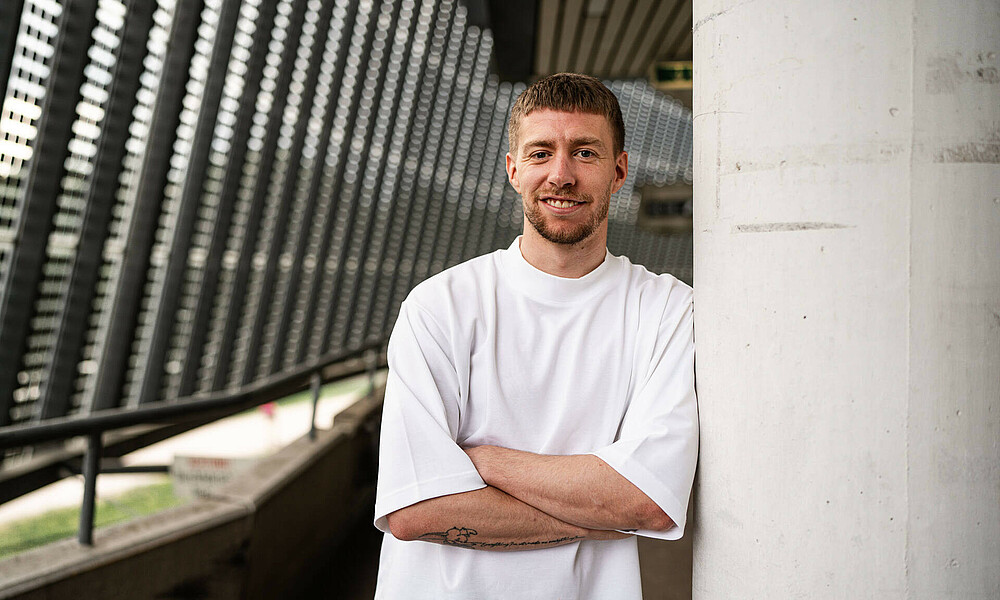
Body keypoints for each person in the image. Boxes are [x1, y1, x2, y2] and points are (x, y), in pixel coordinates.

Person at [373, 73, 698, 599]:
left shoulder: (666, 310)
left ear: (618, 171)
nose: (561, 175)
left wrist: (483, 461)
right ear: (513, 169)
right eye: (541, 153)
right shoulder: (439, 307)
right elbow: (414, 510)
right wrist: (600, 511)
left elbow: (649, 503)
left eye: (585, 153)